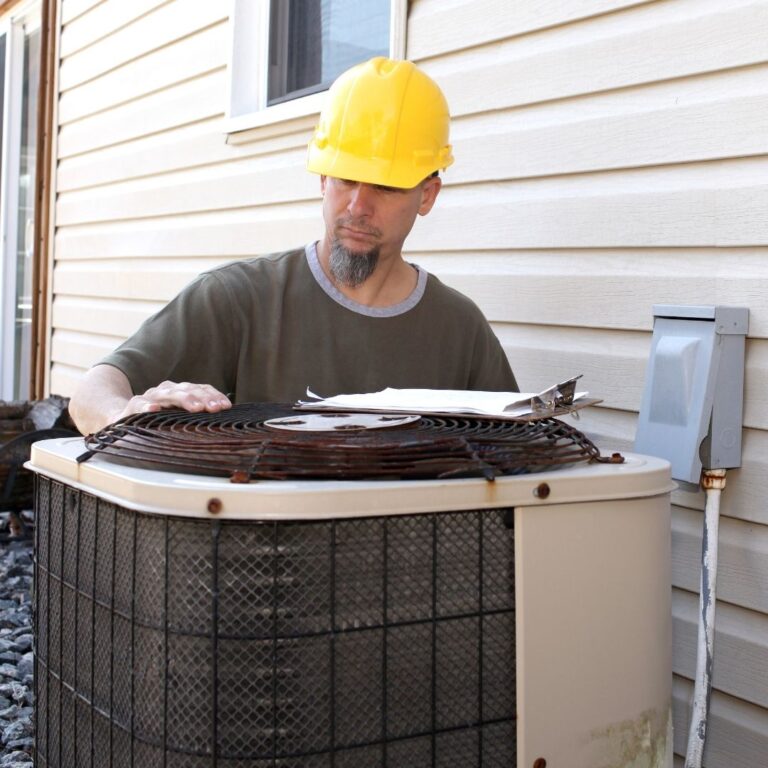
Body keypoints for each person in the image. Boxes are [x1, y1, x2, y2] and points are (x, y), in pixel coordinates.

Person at [69, 57, 518, 436]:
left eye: (385, 185)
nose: (357, 206)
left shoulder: (460, 330)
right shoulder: (238, 299)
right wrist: (124, 415)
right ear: (323, 179)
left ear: (427, 195)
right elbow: (91, 394)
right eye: (344, 178)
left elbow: (520, 451)